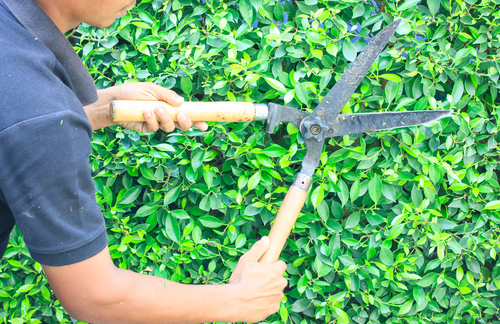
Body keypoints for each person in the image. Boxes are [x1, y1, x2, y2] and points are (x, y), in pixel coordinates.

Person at [0, 0, 288, 322]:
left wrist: (97, 110)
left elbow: (16, 128)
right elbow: (96, 297)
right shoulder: (38, 114)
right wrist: (237, 300)